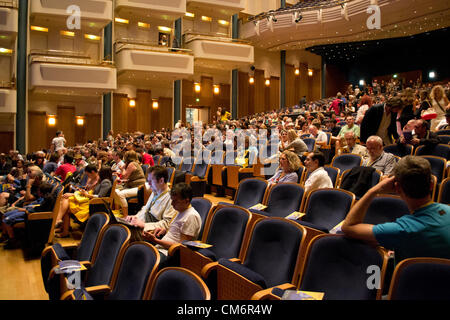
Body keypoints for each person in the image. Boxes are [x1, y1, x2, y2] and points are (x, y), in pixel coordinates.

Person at [342, 156, 450, 264]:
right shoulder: (448, 209)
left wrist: (373, 191)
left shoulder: (402, 230)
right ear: (431, 185)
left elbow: (348, 227)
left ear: (397, 188)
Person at [142, 183, 201, 267]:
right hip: (162, 247)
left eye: (175, 201)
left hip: (170, 254)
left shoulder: (191, 216)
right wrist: (164, 231)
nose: (172, 204)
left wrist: (155, 240)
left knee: (145, 263)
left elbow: (182, 248)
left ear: (186, 200)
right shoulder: (180, 211)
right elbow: (175, 233)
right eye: (172, 200)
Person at [54, 165, 113, 237]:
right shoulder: (102, 181)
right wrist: (86, 193)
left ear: (104, 173)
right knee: (66, 201)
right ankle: (63, 228)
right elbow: (94, 192)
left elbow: (99, 197)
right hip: (91, 200)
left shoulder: (106, 182)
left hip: (95, 205)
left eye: (100, 171)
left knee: (67, 207)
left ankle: (63, 229)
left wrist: (87, 194)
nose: (99, 172)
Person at [1, 182, 56, 249]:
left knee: (7, 220)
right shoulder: (42, 197)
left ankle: (13, 240)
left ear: (42, 192)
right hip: (26, 209)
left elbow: (38, 209)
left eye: (38, 191)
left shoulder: (47, 200)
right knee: (5, 215)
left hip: (29, 213)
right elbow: (34, 205)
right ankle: (4, 236)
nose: (37, 192)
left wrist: (26, 210)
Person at [126, 165, 177, 233]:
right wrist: (135, 217)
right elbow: (145, 209)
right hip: (142, 225)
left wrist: (144, 225)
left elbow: (167, 224)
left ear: (161, 180)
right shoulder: (155, 191)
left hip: (151, 231)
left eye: (151, 181)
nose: (149, 184)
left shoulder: (171, 198)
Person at [114, 150, 146, 217]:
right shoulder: (131, 164)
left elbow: (124, 176)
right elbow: (128, 178)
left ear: (127, 157)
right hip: (133, 185)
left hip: (140, 187)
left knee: (121, 194)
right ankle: (118, 211)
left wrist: (122, 169)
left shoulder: (132, 164)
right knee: (115, 190)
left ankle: (125, 216)